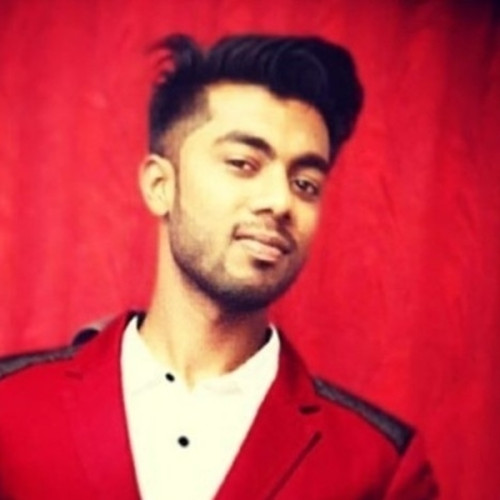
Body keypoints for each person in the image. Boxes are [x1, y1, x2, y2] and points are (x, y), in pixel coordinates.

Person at [0, 34, 438, 499]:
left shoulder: (380, 465)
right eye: (243, 163)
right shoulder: (10, 406)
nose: (281, 201)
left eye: (306, 183)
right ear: (161, 185)